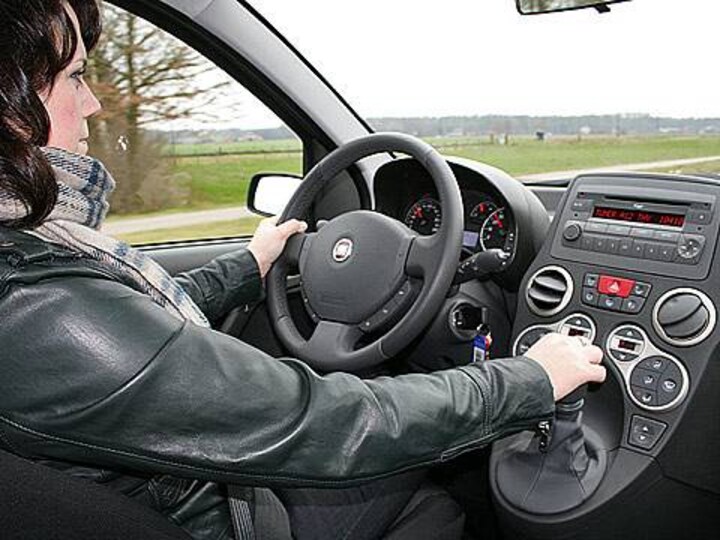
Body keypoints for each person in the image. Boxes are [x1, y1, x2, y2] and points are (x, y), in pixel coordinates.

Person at [0, 1, 606, 539]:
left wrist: (249, 264)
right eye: (74, 76)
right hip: (224, 519)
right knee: (432, 504)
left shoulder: (33, 267)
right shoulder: (41, 309)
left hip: (173, 500)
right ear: (10, 106)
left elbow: (137, 334)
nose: (93, 101)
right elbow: (329, 422)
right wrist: (530, 379)